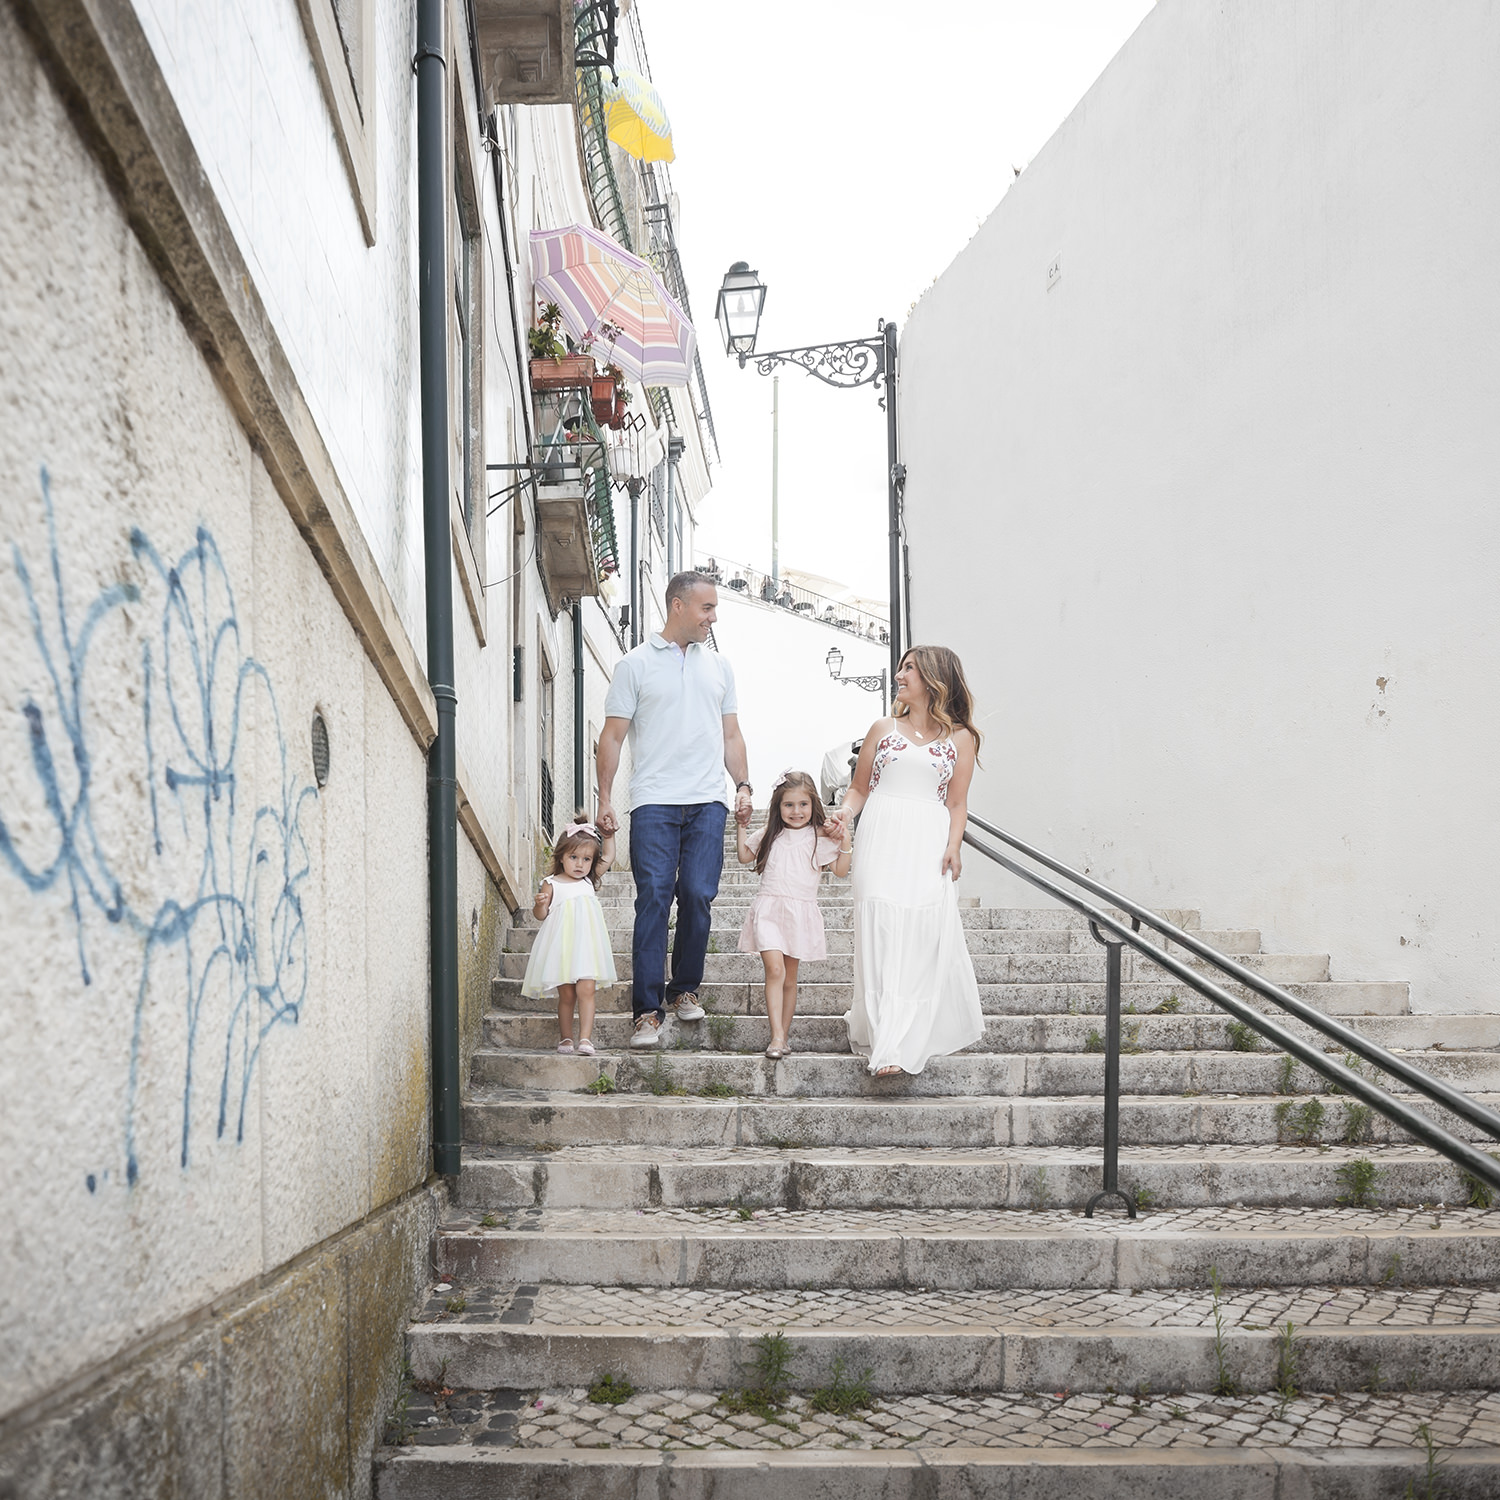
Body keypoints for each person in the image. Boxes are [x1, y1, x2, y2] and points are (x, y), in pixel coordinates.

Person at [597, 571, 753, 1049]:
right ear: (678, 606)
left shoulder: (720, 667)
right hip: (654, 800)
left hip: (708, 800)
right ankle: (647, 1010)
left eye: (714, 610)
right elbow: (612, 736)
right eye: (706, 608)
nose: (713, 618)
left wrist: (743, 784)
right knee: (654, 899)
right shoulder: (634, 665)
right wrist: (605, 799)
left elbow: (730, 734)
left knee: (698, 894)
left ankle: (684, 988)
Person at [829, 645, 984, 1078]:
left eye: (909, 668)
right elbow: (860, 789)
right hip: (880, 835)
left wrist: (953, 846)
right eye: (901, 667)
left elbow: (957, 803)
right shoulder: (883, 728)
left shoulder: (960, 738)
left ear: (934, 677)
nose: (900, 674)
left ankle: (902, 1037)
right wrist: (844, 813)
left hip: (927, 841)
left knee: (918, 933)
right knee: (879, 923)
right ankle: (884, 1036)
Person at [736, 771, 851, 1060]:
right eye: (789, 805)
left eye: (803, 804)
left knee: (790, 978)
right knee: (774, 970)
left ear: (813, 805)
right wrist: (741, 825)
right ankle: (775, 1036)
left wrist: (845, 839)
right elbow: (744, 856)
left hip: (799, 912)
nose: (796, 811)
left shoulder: (819, 837)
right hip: (770, 911)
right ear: (778, 806)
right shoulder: (770, 834)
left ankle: (783, 1036)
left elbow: (840, 870)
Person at [522, 816, 617, 1056]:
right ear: (561, 857)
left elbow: (609, 856)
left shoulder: (588, 880)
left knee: (587, 990)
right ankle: (566, 1038)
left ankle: (585, 1039)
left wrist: (609, 835)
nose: (579, 864)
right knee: (566, 994)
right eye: (573, 857)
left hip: (586, 948)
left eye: (586, 859)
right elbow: (541, 915)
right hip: (562, 949)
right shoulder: (551, 883)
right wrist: (540, 904)